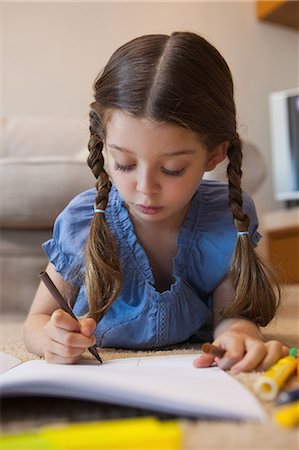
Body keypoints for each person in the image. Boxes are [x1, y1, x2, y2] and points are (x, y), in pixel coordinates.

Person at [24, 31, 287, 370]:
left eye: (172, 169)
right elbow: (36, 321)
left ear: (215, 154)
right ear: (105, 146)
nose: (145, 188)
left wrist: (239, 334)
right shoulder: (83, 220)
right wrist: (49, 338)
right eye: (125, 164)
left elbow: (230, 318)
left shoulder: (224, 218)